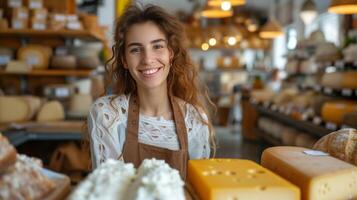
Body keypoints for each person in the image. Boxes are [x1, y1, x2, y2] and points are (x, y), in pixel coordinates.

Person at [87, 4, 215, 179]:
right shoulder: (108, 115)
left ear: (171, 53)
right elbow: (107, 190)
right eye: (136, 49)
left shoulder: (194, 119)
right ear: (124, 60)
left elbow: (197, 189)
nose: (147, 59)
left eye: (157, 46)